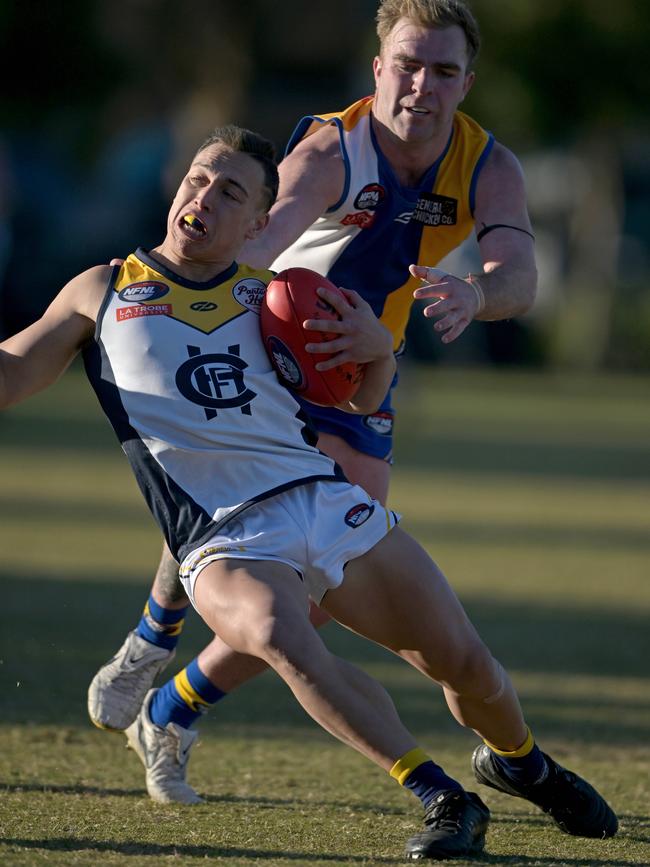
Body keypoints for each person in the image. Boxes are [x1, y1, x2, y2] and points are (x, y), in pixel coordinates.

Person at [1, 125, 616, 860]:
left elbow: (363, 399)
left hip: (322, 499)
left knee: (466, 662)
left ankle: (524, 762)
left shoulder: (277, 298)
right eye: (198, 178)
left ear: (261, 224)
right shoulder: (103, 289)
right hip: (220, 535)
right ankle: (443, 794)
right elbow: (13, 371)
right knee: (277, 633)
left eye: (231, 191)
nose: (204, 196)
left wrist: (377, 350)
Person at [88, 0, 541, 758]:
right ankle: (155, 630)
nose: (422, 86)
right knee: (243, 500)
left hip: (362, 369)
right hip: (268, 347)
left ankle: (171, 702)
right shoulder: (332, 150)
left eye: (443, 71)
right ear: (378, 69)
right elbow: (260, 240)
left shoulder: (489, 165)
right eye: (407, 65)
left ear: (466, 83)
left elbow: (518, 275)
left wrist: (475, 293)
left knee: (327, 587)